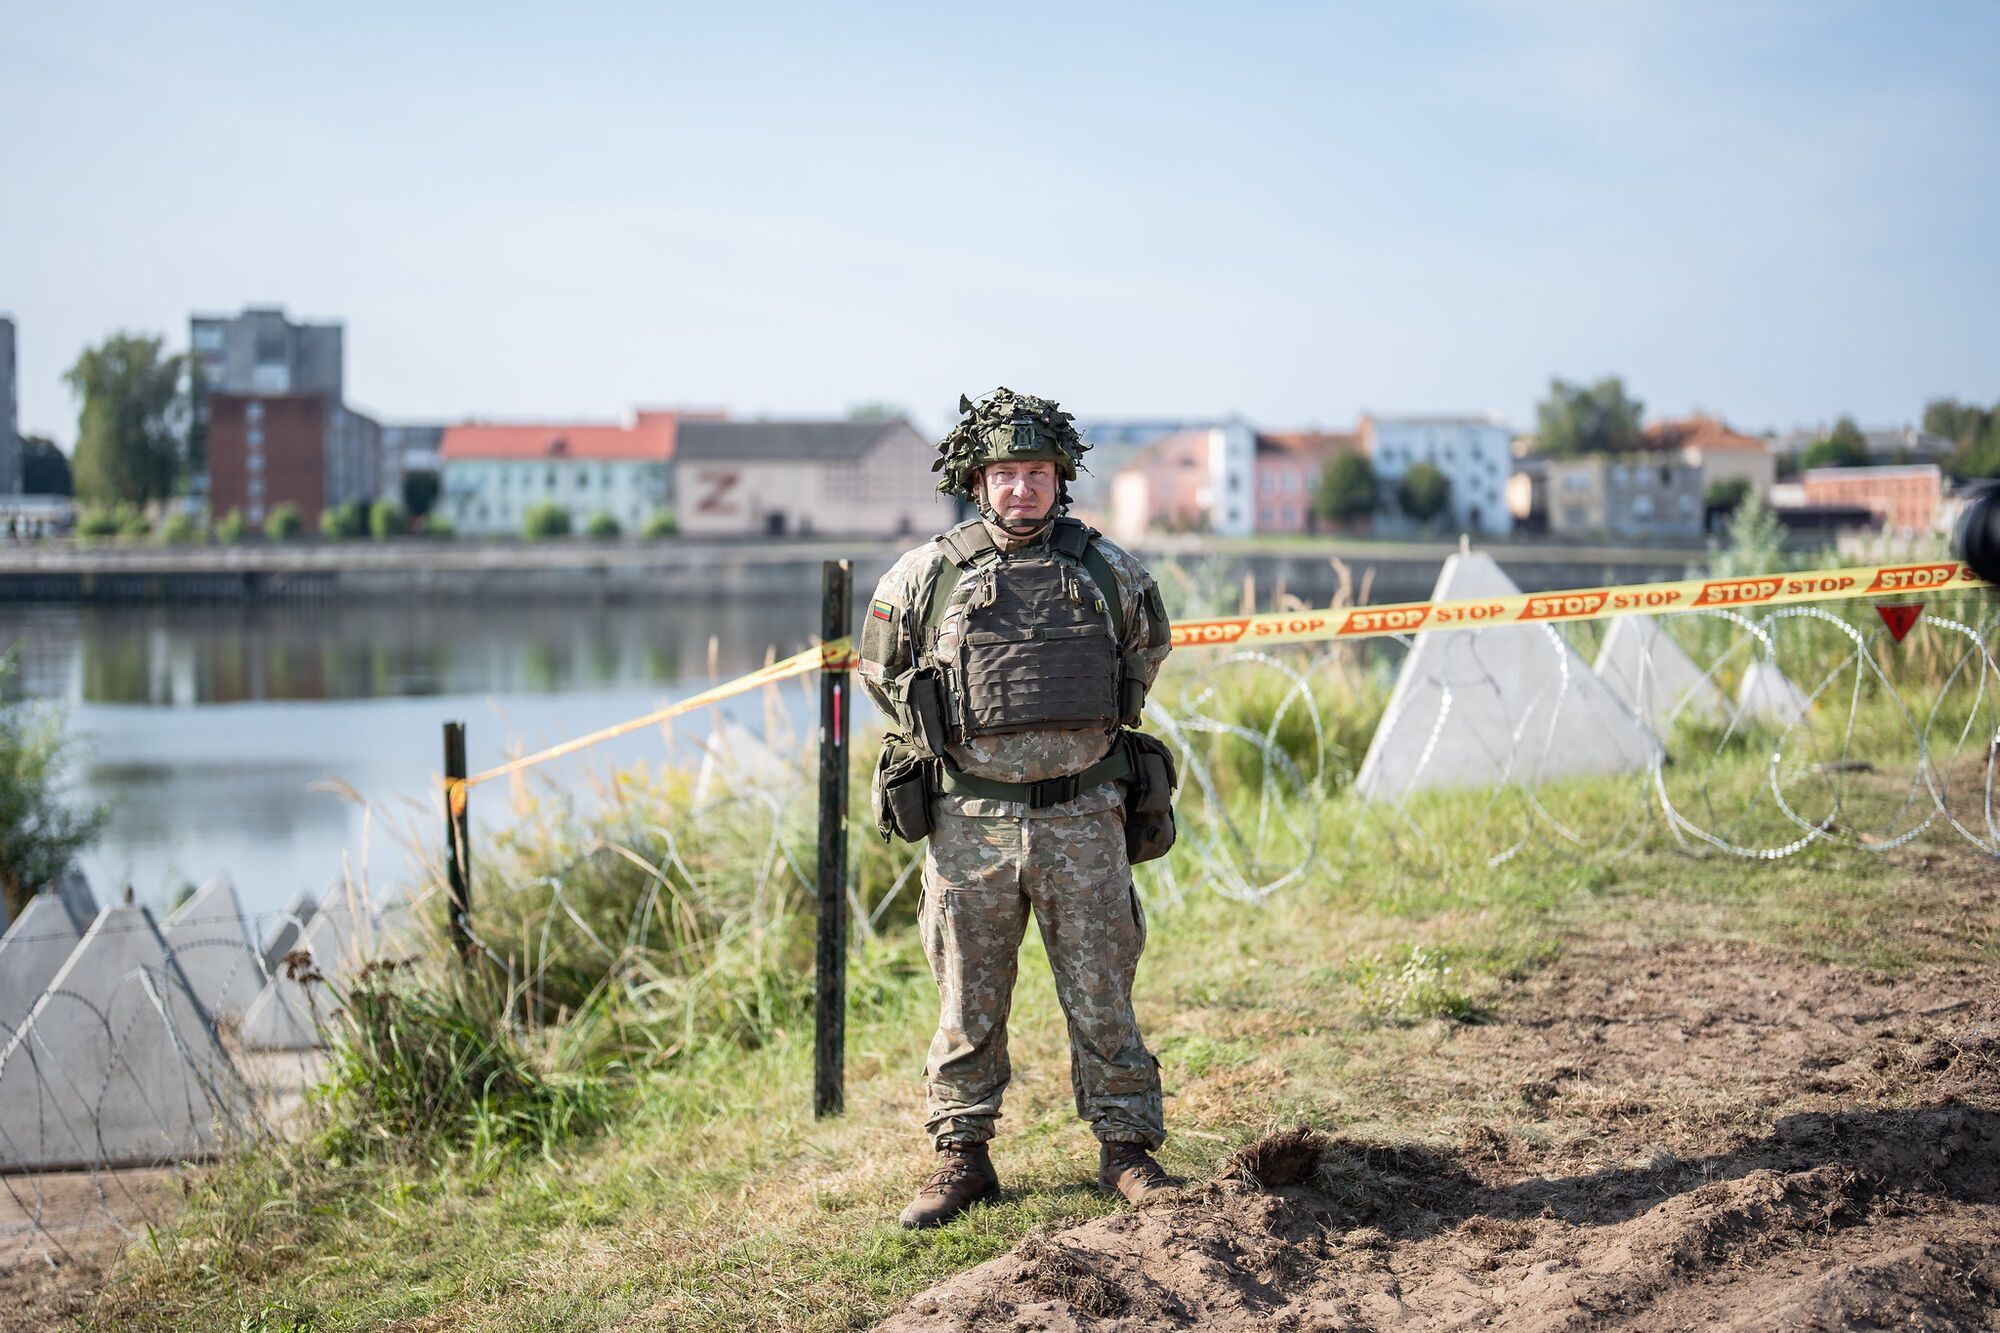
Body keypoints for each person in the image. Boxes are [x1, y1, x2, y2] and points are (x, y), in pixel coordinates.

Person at [858, 387, 1179, 1230]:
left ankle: (1128, 1149)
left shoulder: (1108, 568)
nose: (1021, 490)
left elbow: (1148, 643)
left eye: (1037, 473)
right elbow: (880, 666)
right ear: (978, 479)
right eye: (1006, 474)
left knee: (1105, 991)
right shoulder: (927, 573)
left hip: (1083, 820)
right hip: (971, 825)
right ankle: (962, 1155)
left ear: (1060, 478)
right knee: (967, 1000)